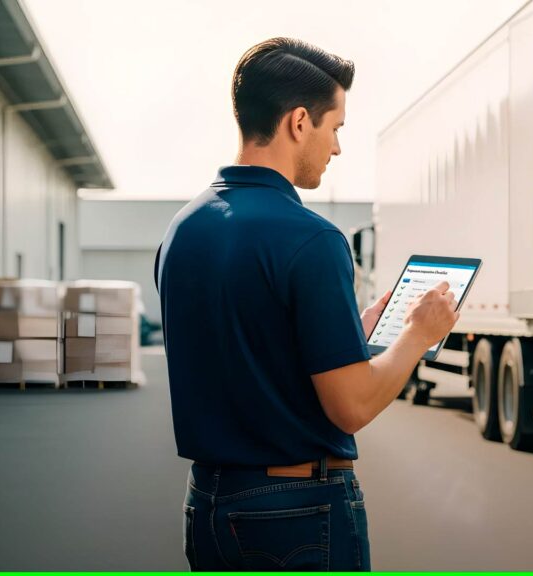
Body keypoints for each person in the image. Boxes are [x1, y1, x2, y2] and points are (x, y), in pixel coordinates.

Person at [155, 38, 458, 571]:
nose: (337, 148)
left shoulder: (182, 229)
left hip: (207, 504)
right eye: (335, 127)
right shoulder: (312, 238)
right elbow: (352, 406)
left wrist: (351, 329)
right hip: (295, 513)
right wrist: (417, 334)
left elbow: (251, 347)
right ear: (299, 122)